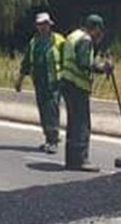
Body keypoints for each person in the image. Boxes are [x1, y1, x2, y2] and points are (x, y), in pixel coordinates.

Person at [60, 14, 114, 172]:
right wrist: (103, 67)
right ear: (96, 28)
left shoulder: (73, 36)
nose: (100, 35)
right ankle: (80, 160)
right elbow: (84, 63)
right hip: (77, 85)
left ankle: (71, 160)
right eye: (100, 31)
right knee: (81, 123)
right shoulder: (85, 40)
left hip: (67, 83)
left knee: (73, 122)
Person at [15, 12, 65, 154]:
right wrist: (20, 80)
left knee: (52, 111)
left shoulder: (59, 40)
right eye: (40, 24)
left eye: (45, 24)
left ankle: (53, 140)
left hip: (54, 83)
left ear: (50, 25)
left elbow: (66, 61)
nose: (43, 27)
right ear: (37, 26)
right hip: (39, 83)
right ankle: (48, 138)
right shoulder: (34, 42)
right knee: (44, 112)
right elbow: (26, 63)